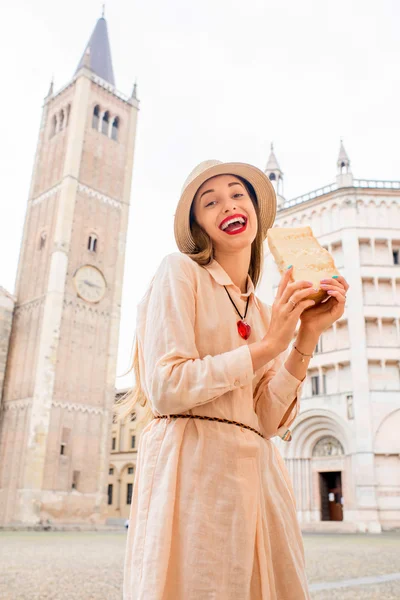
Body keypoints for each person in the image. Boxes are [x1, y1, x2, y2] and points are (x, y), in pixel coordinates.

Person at [119, 160, 349, 600]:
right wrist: (267, 346)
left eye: (237, 194)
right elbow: (167, 386)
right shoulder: (180, 272)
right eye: (211, 201)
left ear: (255, 212)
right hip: (194, 471)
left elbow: (267, 419)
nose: (228, 205)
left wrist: (305, 337)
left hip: (258, 479)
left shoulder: (264, 312)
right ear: (199, 224)